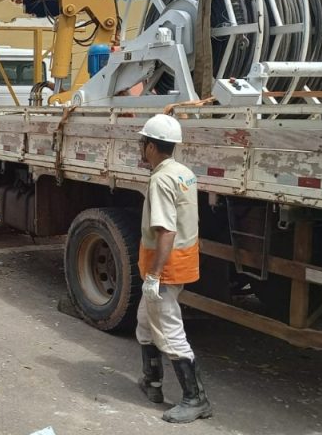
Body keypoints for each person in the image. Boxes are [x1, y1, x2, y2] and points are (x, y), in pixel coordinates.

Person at [135, 114, 212, 423]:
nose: (140, 148)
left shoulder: (160, 179)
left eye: (142, 143)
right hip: (180, 260)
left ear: (151, 146)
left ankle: (196, 399)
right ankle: (151, 382)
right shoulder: (182, 172)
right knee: (144, 322)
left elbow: (166, 231)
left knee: (169, 331)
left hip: (165, 268)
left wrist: (153, 276)